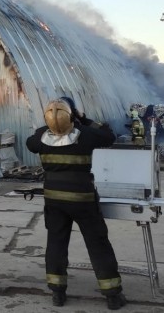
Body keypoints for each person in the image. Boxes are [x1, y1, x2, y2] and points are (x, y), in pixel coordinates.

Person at [26, 97, 126, 310]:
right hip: (83, 200)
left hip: (54, 200)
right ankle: (112, 295)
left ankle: (58, 293)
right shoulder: (87, 135)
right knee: (98, 244)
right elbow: (110, 136)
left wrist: (52, 123)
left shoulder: (41, 138)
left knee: (56, 244)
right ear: (72, 115)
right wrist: (84, 119)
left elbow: (31, 142)